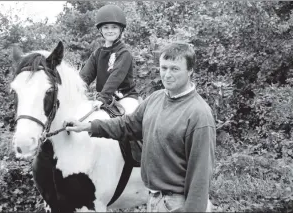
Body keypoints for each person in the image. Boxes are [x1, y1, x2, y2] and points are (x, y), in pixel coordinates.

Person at [65, 42, 216, 212]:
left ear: (190, 71)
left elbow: (200, 175)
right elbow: (127, 126)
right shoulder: (156, 98)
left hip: (178, 203)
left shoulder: (199, 114)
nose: (167, 75)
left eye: (175, 69)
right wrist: (89, 126)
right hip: (153, 198)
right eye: (164, 68)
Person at [79, 4, 138, 109]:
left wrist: (102, 98)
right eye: (106, 27)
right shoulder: (97, 53)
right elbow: (84, 77)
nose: (110, 30)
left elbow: (115, 77)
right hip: (103, 97)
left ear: (120, 29)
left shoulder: (124, 53)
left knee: (129, 117)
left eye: (114, 27)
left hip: (125, 97)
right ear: (100, 30)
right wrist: (74, 89)